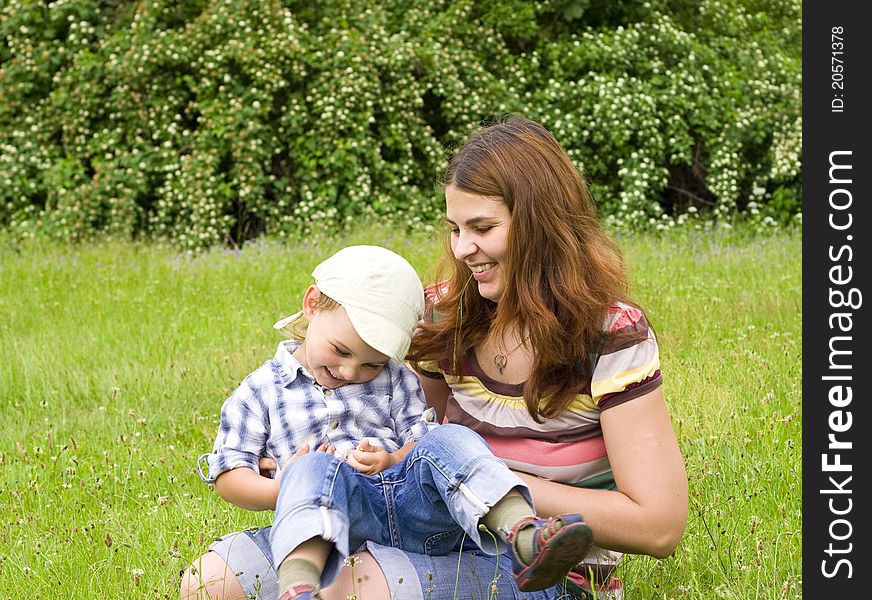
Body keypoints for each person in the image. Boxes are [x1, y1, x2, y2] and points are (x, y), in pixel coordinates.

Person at [181, 116, 688, 600]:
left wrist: (488, 486)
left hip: (541, 574)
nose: (464, 248)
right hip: (416, 532)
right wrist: (302, 468)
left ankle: (521, 532)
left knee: (358, 586)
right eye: (454, 228)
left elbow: (659, 526)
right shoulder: (443, 313)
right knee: (211, 583)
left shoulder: (610, 334)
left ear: (541, 226)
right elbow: (398, 442)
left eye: (483, 227)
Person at [188, 243, 596, 600]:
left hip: (409, 514)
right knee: (310, 469)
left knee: (448, 437)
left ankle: (524, 533)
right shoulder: (261, 390)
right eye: (340, 350)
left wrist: (392, 458)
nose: (350, 371)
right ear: (313, 304)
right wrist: (284, 487)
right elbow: (229, 473)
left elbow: (421, 447)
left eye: (371, 363)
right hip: (322, 526)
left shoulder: (395, 380)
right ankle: (299, 586)